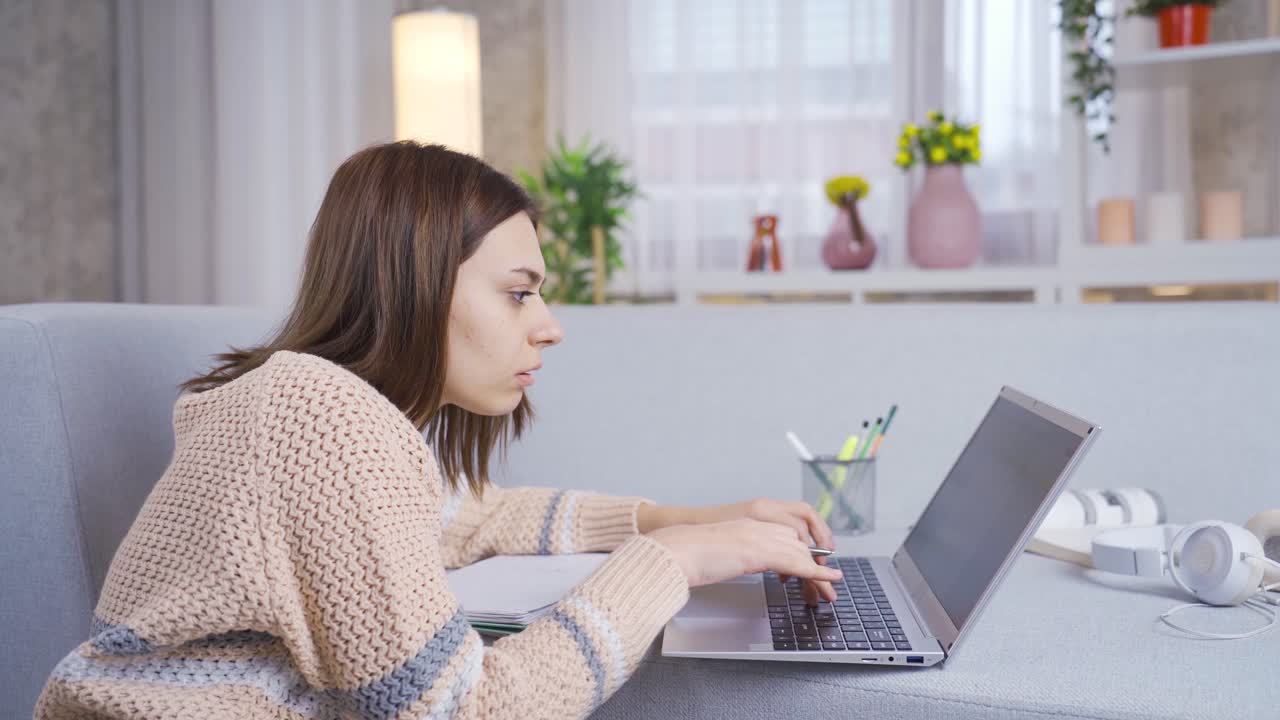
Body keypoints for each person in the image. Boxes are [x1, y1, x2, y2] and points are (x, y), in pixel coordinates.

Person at [35, 142, 842, 719]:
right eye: (519, 293)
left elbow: (478, 519)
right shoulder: (318, 417)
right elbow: (463, 709)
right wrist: (672, 562)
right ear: (417, 285)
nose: (550, 326)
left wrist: (702, 522)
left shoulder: (318, 409)